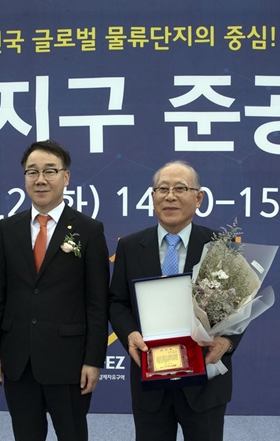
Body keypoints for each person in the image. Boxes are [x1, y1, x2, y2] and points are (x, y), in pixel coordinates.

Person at [0, 140, 109, 441]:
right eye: (32, 172)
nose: (40, 179)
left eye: (49, 171)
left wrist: (93, 359)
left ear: (66, 177)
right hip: (18, 359)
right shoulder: (7, 229)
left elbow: (97, 301)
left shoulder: (89, 230)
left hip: (69, 361)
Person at [108, 160, 241, 441]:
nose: (170, 196)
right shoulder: (130, 246)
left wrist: (228, 342)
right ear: (153, 197)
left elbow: (239, 304)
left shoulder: (220, 245)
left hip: (205, 377)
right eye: (162, 189)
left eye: (180, 188)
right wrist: (129, 333)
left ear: (198, 197)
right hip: (151, 376)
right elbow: (117, 301)